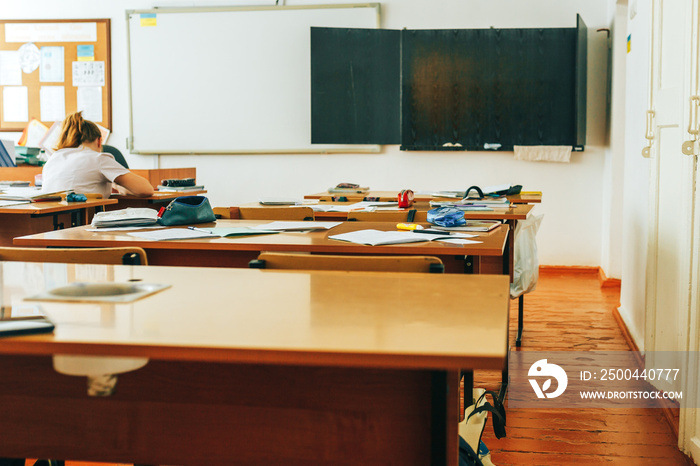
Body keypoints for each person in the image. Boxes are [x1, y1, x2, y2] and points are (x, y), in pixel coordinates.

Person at [42, 112, 153, 199]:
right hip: (84, 222)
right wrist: (118, 185)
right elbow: (146, 189)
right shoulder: (98, 158)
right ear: (99, 141)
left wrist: (118, 185)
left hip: (50, 223)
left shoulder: (54, 157)